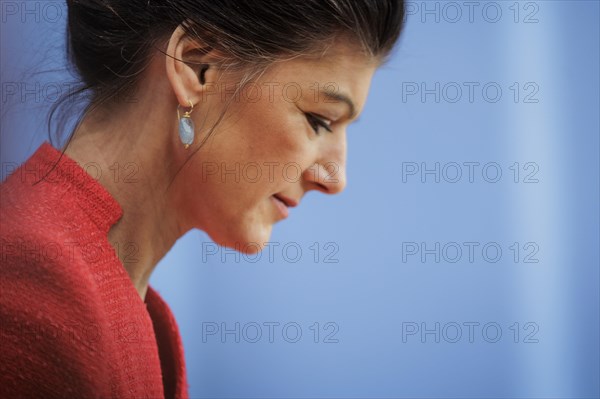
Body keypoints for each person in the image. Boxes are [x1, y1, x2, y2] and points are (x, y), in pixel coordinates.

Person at [0, 1, 406, 397]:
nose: (336, 179)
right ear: (196, 67)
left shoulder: (125, 306)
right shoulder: (38, 288)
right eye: (319, 120)